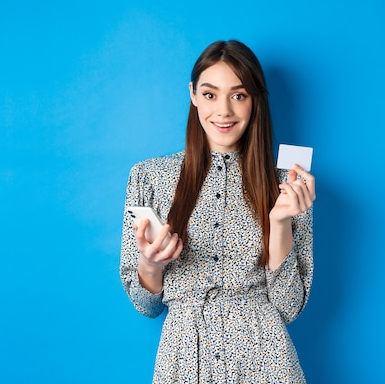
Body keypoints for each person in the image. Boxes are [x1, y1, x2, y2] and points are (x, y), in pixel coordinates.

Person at [120, 40, 316, 383]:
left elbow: (288, 305)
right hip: (183, 359)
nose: (223, 111)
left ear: (255, 100)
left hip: (266, 359)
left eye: (239, 95)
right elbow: (146, 306)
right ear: (193, 94)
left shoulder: (289, 182)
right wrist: (150, 264)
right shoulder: (148, 177)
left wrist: (280, 220)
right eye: (210, 94)